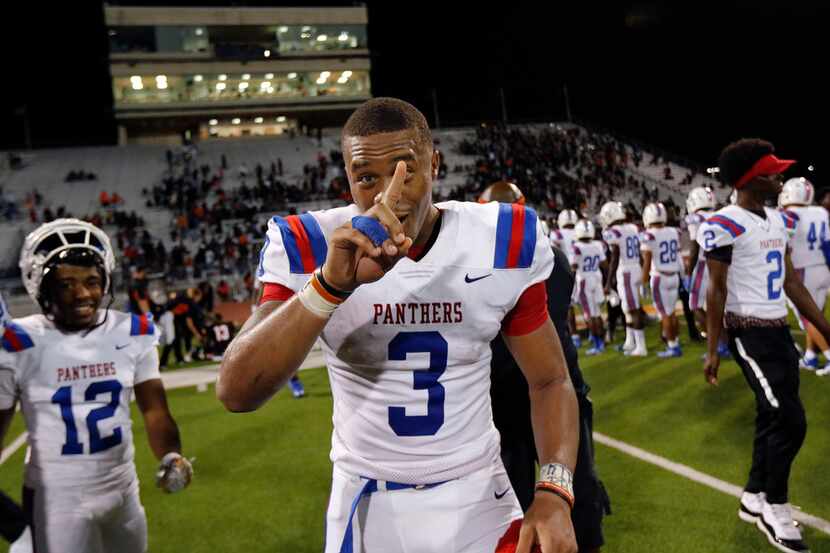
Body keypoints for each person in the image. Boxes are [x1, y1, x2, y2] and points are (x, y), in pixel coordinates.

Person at [218, 98, 579, 553]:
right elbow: (236, 390)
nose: (390, 194)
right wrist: (329, 286)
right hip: (367, 504)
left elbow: (550, 380)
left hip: (479, 498)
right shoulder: (312, 244)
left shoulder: (500, 239)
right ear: (348, 179)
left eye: (405, 169)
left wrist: (554, 490)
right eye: (368, 177)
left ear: (435, 163)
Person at [0, 219, 192, 553]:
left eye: (92, 280)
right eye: (66, 283)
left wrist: (171, 453)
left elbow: (155, 408)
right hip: (55, 498)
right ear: (42, 288)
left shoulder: (132, 331)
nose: (83, 293)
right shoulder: (18, 342)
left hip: (122, 490)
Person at [699, 139, 829, 553]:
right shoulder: (724, 222)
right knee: (789, 419)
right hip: (747, 331)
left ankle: (754, 494)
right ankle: (776, 506)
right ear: (751, 180)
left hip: (776, 330)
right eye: (772, 173)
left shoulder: (777, 221)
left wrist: (825, 326)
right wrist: (712, 349)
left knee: (771, 417)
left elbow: (791, 282)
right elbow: (715, 291)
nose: (779, 179)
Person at [483, 183, 610, 553]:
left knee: (574, 495)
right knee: (519, 505)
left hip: (539, 395)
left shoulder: (548, 261)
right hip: (512, 402)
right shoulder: (550, 259)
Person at [777, 177, 830, 374]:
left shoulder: (786, 215)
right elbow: (827, 245)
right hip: (822, 268)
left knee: (809, 319)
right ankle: (810, 356)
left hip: (801, 271)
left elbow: (785, 248)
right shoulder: (820, 212)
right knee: (817, 315)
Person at [599, 202, 647, 356]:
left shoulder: (614, 231)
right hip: (635, 268)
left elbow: (615, 258)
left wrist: (608, 282)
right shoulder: (633, 227)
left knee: (632, 309)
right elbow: (639, 254)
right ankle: (630, 342)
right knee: (627, 309)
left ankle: (641, 346)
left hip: (626, 270)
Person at [640, 202, 683, 357]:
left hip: (660, 277)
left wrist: (644, 282)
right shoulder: (673, 231)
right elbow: (678, 255)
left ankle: (673, 347)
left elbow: (647, 261)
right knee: (672, 313)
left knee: (664, 314)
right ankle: (675, 340)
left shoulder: (649, 234)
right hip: (674, 276)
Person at [571, 220, 607, 356]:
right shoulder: (598, 244)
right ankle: (601, 343)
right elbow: (604, 264)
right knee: (597, 313)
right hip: (597, 278)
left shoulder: (577, 247)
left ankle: (597, 345)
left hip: (584, 279)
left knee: (589, 315)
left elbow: (573, 268)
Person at [551, 209, 581, 348]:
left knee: (569, 306)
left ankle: (574, 335)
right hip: (586, 270)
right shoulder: (579, 230)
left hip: (568, 270)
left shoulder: (558, 234)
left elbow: (555, 253)